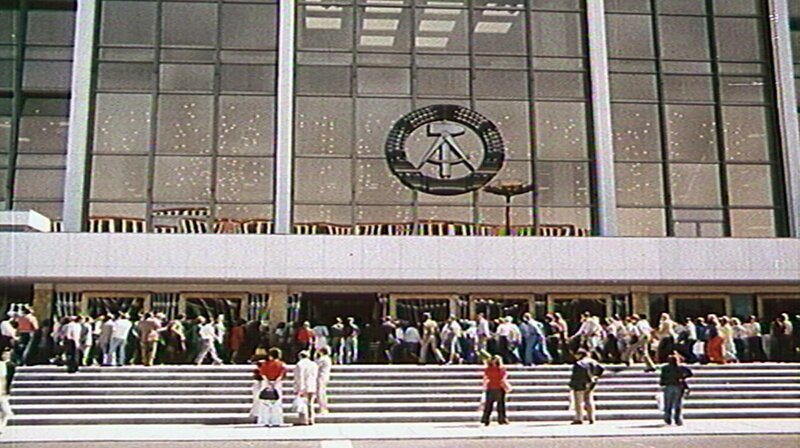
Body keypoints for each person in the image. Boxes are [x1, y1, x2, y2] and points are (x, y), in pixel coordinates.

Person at [569, 349, 604, 425]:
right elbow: (601, 368)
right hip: (591, 383)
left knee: (579, 402)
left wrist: (572, 384)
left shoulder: (579, 363)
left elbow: (576, 375)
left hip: (580, 384)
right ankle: (591, 418)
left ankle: (579, 418)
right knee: (589, 400)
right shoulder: (593, 361)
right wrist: (596, 376)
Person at [256, 347, 287, 427]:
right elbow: (282, 374)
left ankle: (265, 421)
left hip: (266, 383)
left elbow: (263, 374)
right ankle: (276, 421)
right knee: (277, 403)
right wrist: (275, 382)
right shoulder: (281, 364)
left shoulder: (265, 364)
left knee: (265, 403)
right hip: (277, 384)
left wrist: (268, 382)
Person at [659, 353, 693, 426]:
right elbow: (690, 373)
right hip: (678, 386)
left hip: (668, 386)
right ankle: (677, 419)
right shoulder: (680, 368)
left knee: (668, 404)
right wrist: (683, 377)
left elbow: (662, 377)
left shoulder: (665, 368)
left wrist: (662, 384)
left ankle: (667, 418)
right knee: (678, 404)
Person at [480, 355, 510, 426]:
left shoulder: (488, 369)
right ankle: (502, 419)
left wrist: (484, 386)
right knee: (501, 405)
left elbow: (485, 378)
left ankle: (486, 419)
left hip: (491, 387)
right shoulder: (501, 369)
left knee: (488, 405)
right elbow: (503, 378)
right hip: (499, 387)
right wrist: (507, 387)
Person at [294, 350, 319, 425]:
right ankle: (311, 419)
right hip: (312, 385)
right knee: (310, 403)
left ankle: (303, 420)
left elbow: (300, 376)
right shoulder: (313, 364)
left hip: (303, 386)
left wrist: (300, 388)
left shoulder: (299, 364)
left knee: (302, 404)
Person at [315, 346, 332, 414]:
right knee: (323, 392)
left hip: (321, 377)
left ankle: (322, 408)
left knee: (320, 393)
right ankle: (324, 407)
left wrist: (315, 357)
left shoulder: (323, 359)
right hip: (325, 376)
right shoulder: (328, 359)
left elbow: (316, 365)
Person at [0, 349, 12, 432]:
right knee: (6, 411)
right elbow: (2, 379)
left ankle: (1, 427)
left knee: (6, 411)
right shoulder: (2, 365)